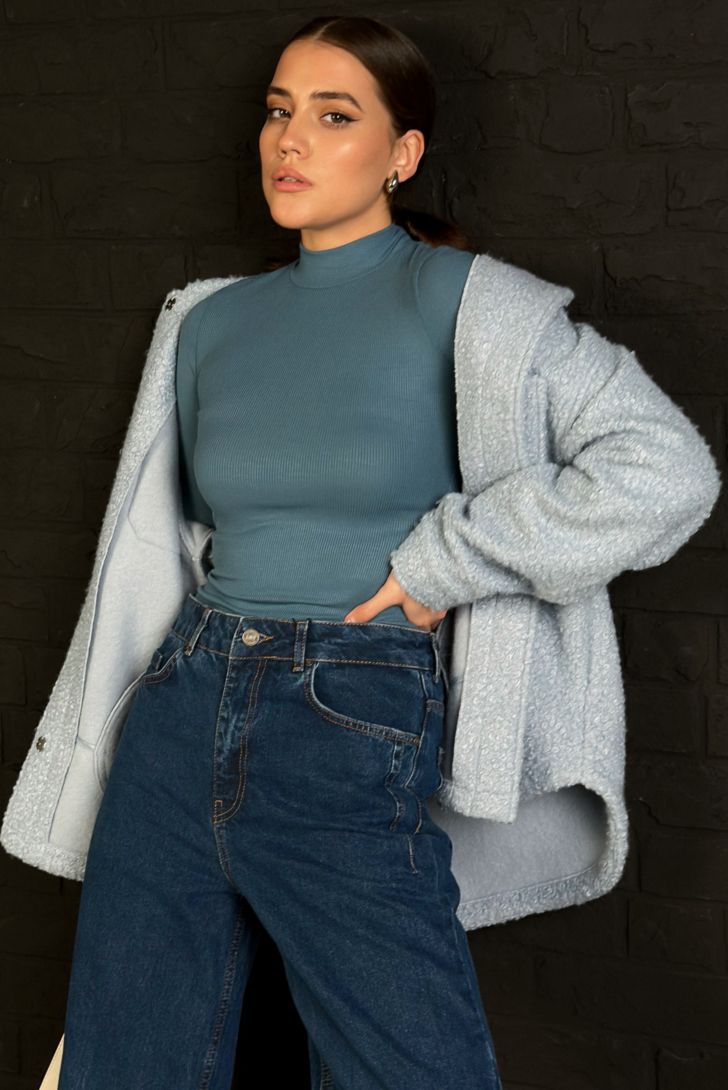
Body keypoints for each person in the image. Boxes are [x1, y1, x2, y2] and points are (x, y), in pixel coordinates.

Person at [0, 14, 720, 1090]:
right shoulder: (207, 324)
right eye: (277, 111)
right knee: (128, 1064)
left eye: (334, 116)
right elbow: (173, 539)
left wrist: (448, 564)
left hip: (344, 707)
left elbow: (665, 468)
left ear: (401, 153)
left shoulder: (469, 304)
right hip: (182, 701)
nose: (289, 140)